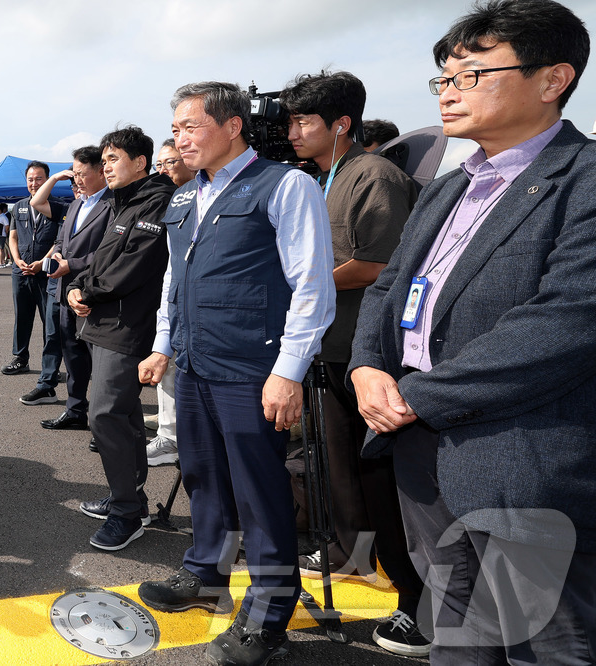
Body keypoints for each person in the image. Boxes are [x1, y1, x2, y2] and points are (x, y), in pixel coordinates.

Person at [351, 1, 596, 661]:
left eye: (471, 75)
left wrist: (414, 397)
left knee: (542, 644)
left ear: (553, 80)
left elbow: (566, 322)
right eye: (444, 79)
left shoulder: (585, 180)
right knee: (457, 635)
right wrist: (368, 367)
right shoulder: (446, 187)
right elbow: (386, 286)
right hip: (421, 456)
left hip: (522, 464)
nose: (449, 92)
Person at [136, 81, 335, 666]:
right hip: (195, 365)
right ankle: (205, 574)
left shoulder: (286, 186)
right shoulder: (181, 198)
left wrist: (288, 371)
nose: (179, 138)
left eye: (190, 127)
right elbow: (176, 280)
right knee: (201, 475)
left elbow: (312, 286)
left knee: (260, 488)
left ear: (232, 127)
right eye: (174, 129)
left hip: (254, 368)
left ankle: (271, 612)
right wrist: (163, 345)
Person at [279, 69, 427, 657]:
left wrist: (305, 289)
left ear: (341, 124)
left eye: (303, 121)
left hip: (366, 358)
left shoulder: (376, 176)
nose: (291, 132)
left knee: (380, 485)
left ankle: (419, 603)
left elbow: (379, 265)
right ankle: (358, 555)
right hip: (328, 351)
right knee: (341, 478)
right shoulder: (318, 178)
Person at [63, 127, 176, 550]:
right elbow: (102, 258)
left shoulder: (157, 202)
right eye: (104, 160)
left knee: (105, 415)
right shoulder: (123, 202)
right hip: (107, 322)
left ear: (140, 162)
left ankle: (128, 513)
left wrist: (87, 290)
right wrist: (76, 287)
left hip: (130, 328)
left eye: (113, 159)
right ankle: (130, 499)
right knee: (124, 417)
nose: (105, 167)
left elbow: (134, 266)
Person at [34, 146, 112, 431]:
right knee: (73, 356)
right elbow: (63, 241)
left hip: (96, 295)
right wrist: (56, 256)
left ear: (100, 171)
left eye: (82, 173)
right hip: (66, 292)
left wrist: (73, 264)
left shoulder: (114, 205)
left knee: (102, 364)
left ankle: (105, 423)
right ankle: (75, 409)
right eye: (74, 174)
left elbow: (111, 253)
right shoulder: (77, 204)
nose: (77, 179)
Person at [143, 138, 195, 467]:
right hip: (169, 302)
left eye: (170, 163)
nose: (163, 171)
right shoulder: (171, 200)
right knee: (167, 368)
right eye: (159, 165)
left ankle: (174, 435)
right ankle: (169, 431)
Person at [2, 162, 67, 408]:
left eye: (39, 179)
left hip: (46, 273)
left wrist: (42, 262)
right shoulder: (18, 207)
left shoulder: (60, 208)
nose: (34, 183)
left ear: (48, 180)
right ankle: (20, 357)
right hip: (21, 271)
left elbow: (60, 239)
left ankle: (50, 368)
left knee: (50, 322)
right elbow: (13, 236)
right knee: (22, 316)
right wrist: (17, 260)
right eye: (30, 179)